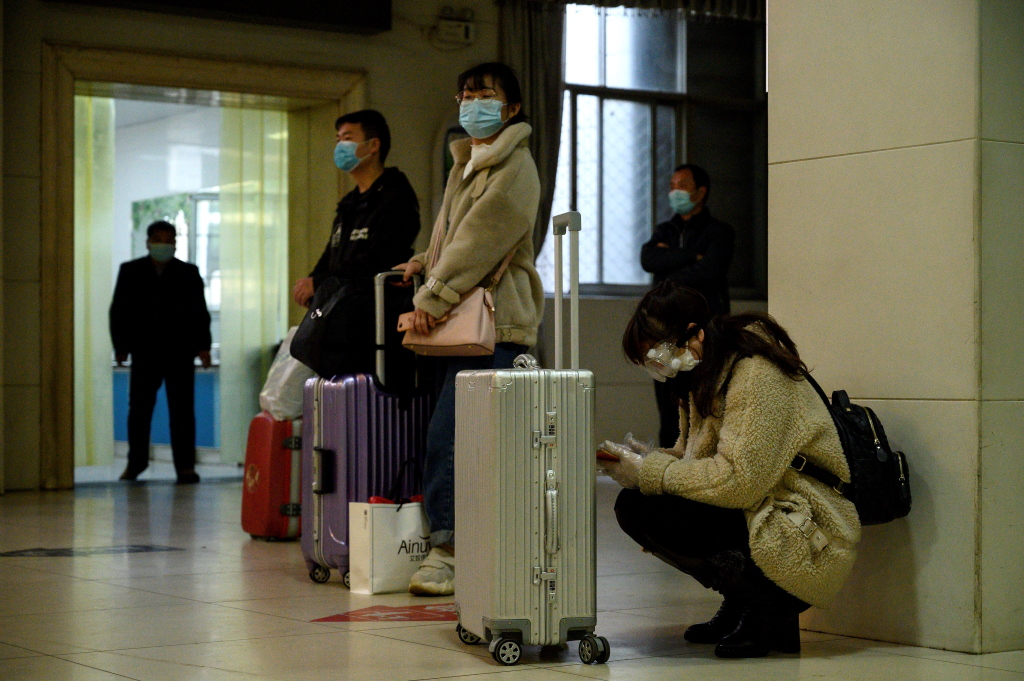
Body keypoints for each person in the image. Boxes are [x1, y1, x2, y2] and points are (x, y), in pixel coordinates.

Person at [599, 281, 860, 658]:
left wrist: (652, 472)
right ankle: (743, 600)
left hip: (808, 526)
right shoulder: (704, 375)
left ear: (694, 334)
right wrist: (638, 463)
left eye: (657, 353)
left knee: (652, 509)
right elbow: (697, 460)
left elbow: (738, 481)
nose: (658, 367)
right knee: (636, 504)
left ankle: (769, 607)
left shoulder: (755, 373)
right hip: (767, 504)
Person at [394, 62, 543, 596]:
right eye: (465, 94)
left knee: (451, 440)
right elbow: (455, 236)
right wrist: (423, 261)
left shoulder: (514, 167)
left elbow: (482, 239)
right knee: (460, 441)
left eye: (483, 94)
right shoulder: (472, 164)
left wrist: (432, 297)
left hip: (496, 328)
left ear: (513, 107)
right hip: (470, 324)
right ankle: (470, 547)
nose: (471, 102)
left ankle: (449, 551)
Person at [290, 109, 421, 377]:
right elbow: (333, 254)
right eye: (338, 139)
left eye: (347, 138)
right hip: (340, 319)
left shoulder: (396, 196)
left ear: (373, 145)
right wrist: (313, 281)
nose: (340, 146)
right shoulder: (349, 204)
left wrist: (321, 282)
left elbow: (381, 260)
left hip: (375, 324)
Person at [110, 220, 212, 484]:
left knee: (182, 412)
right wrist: (121, 347)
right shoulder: (131, 271)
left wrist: (203, 347)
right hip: (145, 352)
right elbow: (119, 311)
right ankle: (136, 463)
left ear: (175, 243)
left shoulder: (189, 273)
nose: (164, 245)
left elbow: (199, 312)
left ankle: (185, 467)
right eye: (159, 239)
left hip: (180, 351)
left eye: (169, 240)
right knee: (139, 412)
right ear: (148, 242)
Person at [641, 163, 735, 448]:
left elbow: (710, 272)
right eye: (671, 186)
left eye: (681, 186)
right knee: (669, 408)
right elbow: (648, 260)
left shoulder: (719, 231)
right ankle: (669, 467)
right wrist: (691, 256)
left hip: (707, 332)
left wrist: (670, 260)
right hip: (665, 332)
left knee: (706, 403)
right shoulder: (664, 229)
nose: (674, 192)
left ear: (700, 192)